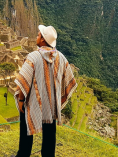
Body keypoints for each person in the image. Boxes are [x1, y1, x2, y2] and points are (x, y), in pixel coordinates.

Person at [14, 25, 77, 157]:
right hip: (51, 105)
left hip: (34, 103)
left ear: (43, 40)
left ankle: (23, 154)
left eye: (38, 35)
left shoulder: (33, 57)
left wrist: (21, 99)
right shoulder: (61, 57)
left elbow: (24, 80)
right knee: (50, 135)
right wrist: (57, 98)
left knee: (25, 130)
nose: (36, 36)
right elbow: (69, 79)